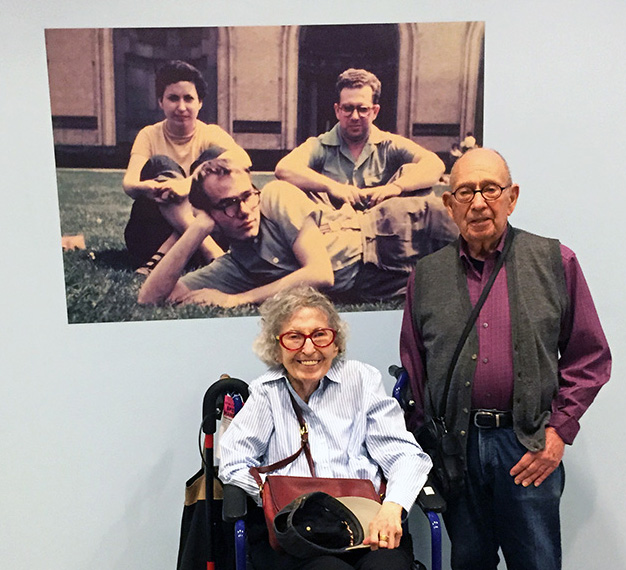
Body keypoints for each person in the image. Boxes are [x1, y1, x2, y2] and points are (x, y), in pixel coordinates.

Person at [399, 147, 611, 570]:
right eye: (465, 192)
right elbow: (413, 368)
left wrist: (558, 433)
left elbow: (590, 356)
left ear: (511, 197)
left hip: (528, 445)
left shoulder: (556, 261)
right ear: (449, 204)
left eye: (490, 189)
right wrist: (429, 448)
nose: (478, 202)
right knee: (469, 562)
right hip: (456, 451)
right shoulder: (426, 276)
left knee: (537, 562)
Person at [218, 285, 432, 570]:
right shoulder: (266, 392)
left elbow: (405, 455)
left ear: (336, 342)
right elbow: (233, 462)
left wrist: (394, 506)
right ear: (276, 346)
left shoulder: (362, 381)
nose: (309, 349)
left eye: (319, 335)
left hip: (368, 525)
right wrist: (276, 500)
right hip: (301, 536)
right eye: (294, 337)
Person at [137, 149, 457, 307]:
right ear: (210, 214)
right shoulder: (237, 265)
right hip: (394, 279)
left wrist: (236, 300)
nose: (245, 210)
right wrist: (196, 228)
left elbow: (320, 274)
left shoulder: (275, 196)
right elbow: (150, 299)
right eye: (227, 205)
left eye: (247, 195)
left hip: (407, 228)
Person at [122, 60, 244, 272]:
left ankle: (164, 257)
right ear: (160, 102)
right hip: (151, 235)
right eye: (173, 98)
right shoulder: (149, 135)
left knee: (214, 158)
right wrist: (154, 187)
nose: (181, 107)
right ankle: (213, 255)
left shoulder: (210, 133)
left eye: (188, 98)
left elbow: (244, 160)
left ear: (200, 103)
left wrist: (188, 186)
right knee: (161, 164)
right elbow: (129, 184)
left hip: (207, 232)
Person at [275, 68, 445, 210]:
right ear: (337, 111)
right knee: (281, 191)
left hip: (383, 228)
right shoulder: (320, 145)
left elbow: (435, 164)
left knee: (421, 188)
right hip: (333, 227)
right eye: (348, 108)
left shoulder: (390, 144)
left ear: (375, 111)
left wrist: (396, 187)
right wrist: (332, 186)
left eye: (363, 109)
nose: (355, 116)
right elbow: (284, 168)